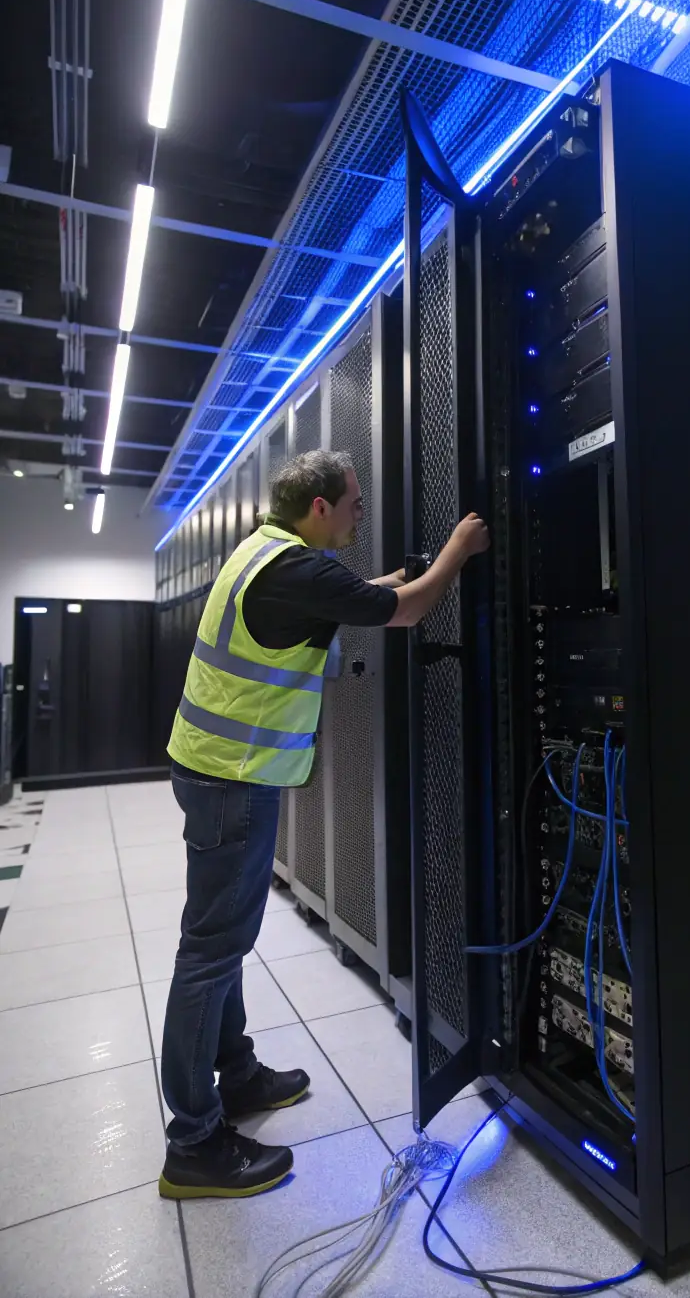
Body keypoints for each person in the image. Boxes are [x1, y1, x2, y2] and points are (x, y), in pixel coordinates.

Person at [158, 449, 489, 1200]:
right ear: (319, 508)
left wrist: (391, 579)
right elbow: (407, 611)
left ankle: (237, 1075)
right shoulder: (299, 567)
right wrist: (456, 552)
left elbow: (355, 596)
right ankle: (193, 1143)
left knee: (222, 941)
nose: (359, 514)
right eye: (353, 503)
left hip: (214, 769)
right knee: (210, 951)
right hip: (233, 778)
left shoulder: (267, 551)